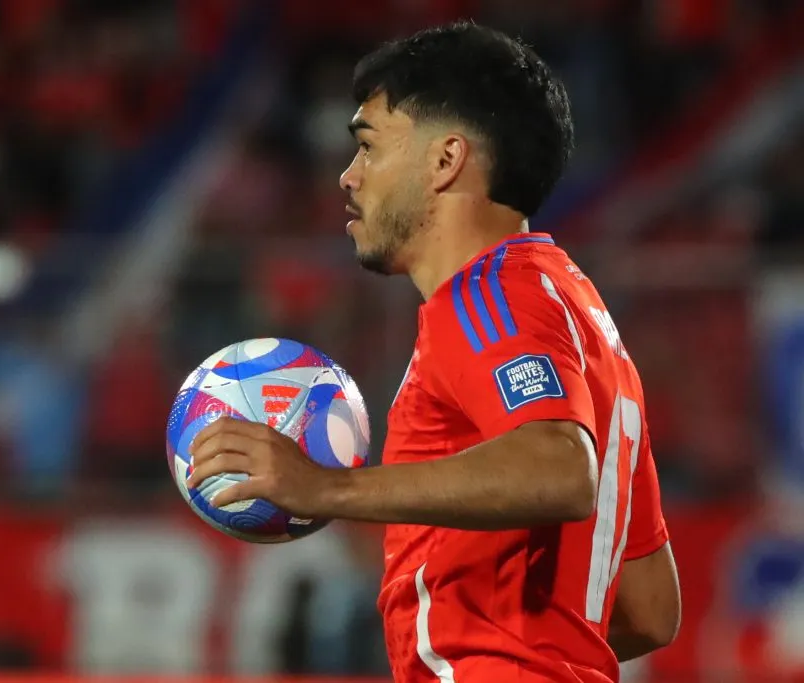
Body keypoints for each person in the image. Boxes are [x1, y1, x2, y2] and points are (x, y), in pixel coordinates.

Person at [187, 21, 681, 683]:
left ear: (445, 160)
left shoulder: (488, 296)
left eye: (369, 146)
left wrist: (325, 487)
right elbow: (650, 608)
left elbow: (560, 469)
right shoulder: (582, 320)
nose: (348, 176)